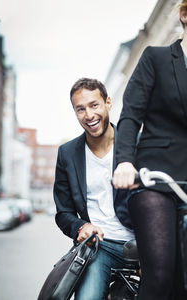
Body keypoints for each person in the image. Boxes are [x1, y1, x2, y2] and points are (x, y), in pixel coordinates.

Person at [112, 1, 187, 299]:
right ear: (184, 15)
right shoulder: (156, 58)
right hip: (155, 177)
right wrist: (125, 162)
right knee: (160, 274)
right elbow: (130, 115)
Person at [53, 77, 134, 300]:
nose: (88, 115)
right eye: (80, 109)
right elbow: (64, 213)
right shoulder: (67, 154)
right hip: (99, 247)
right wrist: (81, 228)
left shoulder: (136, 145)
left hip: (144, 245)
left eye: (94, 105)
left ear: (108, 102)